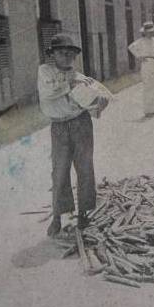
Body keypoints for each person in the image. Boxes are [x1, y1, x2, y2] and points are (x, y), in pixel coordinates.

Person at [38, 34, 109, 237]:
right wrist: (69, 84)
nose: (66, 56)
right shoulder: (45, 72)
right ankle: (57, 217)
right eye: (61, 52)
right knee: (59, 171)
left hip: (81, 124)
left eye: (70, 53)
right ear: (53, 55)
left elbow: (89, 105)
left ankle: (83, 213)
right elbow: (47, 93)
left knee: (85, 168)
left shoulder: (81, 77)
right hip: (59, 127)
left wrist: (100, 105)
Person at [128, 21, 154, 117]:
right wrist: (139, 56)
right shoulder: (141, 41)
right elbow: (131, 47)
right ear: (145, 32)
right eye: (149, 31)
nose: (151, 33)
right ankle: (147, 110)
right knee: (147, 86)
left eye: (152, 31)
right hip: (146, 63)